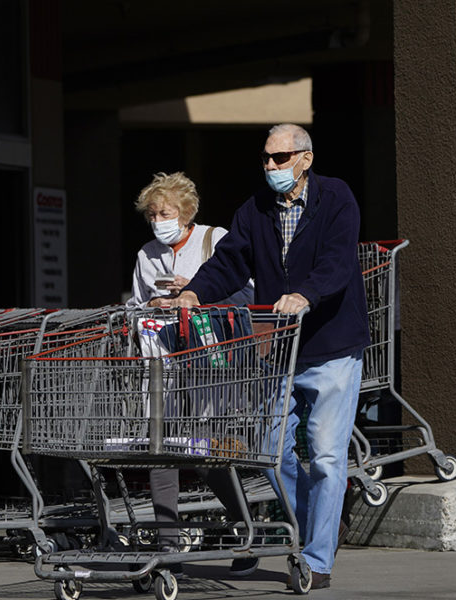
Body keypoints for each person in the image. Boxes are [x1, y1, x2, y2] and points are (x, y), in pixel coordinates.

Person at [171, 124, 369, 590]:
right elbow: (229, 261)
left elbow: (338, 261)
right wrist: (194, 293)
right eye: (266, 158)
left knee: (324, 456)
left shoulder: (336, 198)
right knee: (271, 451)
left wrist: (306, 294)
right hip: (282, 349)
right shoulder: (255, 211)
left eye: (281, 158)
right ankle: (321, 522)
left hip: (332, 346)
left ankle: (317, 560)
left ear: (306, 159)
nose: (271, 167)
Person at [125, 171, 258, 577]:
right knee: (161, 450)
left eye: (164, 212)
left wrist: (194, 291)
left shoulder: (214, 241)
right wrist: (149, 308)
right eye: (152, 214)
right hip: (163, 363)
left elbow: (248, 294)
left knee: (209, 455)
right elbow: (134, 304)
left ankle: (247, 530)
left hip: (211, 364)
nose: (158, 220)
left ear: (185, 212)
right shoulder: (147, 255)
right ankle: (169, 547)